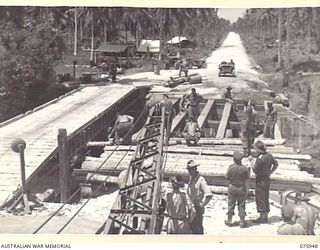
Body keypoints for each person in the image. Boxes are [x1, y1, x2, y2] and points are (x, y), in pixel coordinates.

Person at [250, 140, 278, 224]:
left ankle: (262, 218)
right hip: (267, 178)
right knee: (265, 197)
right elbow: (276, 164)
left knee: (260, 198)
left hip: (260, 179)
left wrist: (251, 161)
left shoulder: (260, 159)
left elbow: (254, 170)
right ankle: (265, 217)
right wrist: (270, 171)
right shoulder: (269, 155)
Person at [186, 160, 212, 234]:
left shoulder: (201, 180)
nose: (189, 171)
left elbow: (209, 195)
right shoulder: (191, 179)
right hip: (190, 207)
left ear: (195, 169)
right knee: (191, 228)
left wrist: (202, 205)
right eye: (188, 169)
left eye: (191, 169)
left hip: (197, 208)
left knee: (197, 229)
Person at [225, 151, 250, 228]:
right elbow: (246, 178)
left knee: (230, 204)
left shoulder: (231, 167)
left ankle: (229, 220)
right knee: (241, 205)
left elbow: (227, 177)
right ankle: (242, 222)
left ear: (234, 159)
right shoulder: (244, 168)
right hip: (241, 187)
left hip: (232, 186)